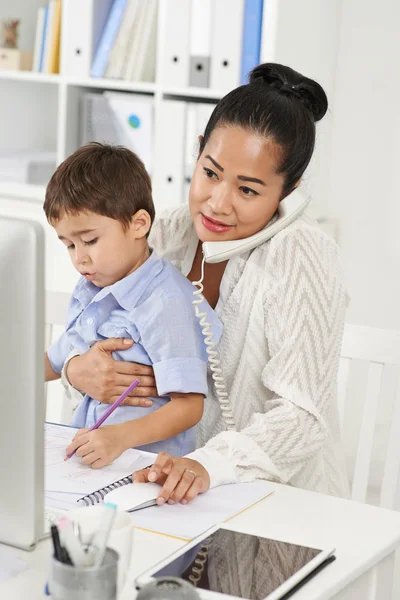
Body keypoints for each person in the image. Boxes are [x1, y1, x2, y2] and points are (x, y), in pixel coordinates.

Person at [61, 63, 349, 501]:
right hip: (160, 488)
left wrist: (208, 464)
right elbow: (90, 330)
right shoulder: (162, 232)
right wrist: (75, 369)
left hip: (275, 502)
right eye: (211, 172)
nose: (218, 203)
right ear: (197, 153)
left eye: (248, 190)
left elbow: (302, 417)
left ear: (288, 194)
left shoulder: (302, 257)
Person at [44, 143, 221, 467]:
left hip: (145, 469)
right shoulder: (92, 290)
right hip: (90, 461)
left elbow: (189, 406)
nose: (79, 258)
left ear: (139, 224)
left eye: (90, 240)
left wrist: (119, 438)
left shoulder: (166, 301)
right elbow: (50, 363)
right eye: (69, 245)